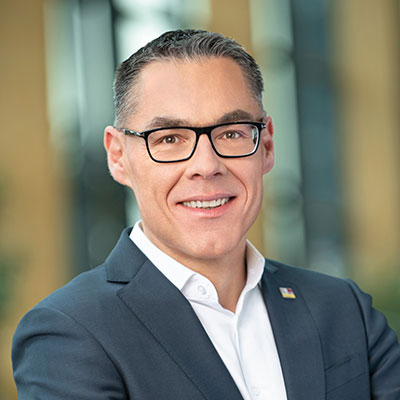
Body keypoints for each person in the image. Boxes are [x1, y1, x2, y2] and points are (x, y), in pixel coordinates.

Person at [12, 29, 400, 400]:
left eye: (231, 133)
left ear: (265, 145)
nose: (206, 166)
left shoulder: (343, 309)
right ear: (118, 157)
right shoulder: (70, 332)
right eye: (169, 138)